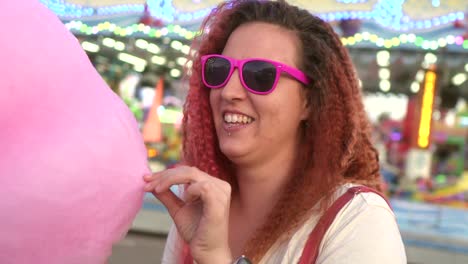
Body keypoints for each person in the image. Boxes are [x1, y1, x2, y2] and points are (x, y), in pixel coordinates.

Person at [143, 0, 407, 263]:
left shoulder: (356, 221)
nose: (228, 91)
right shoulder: (197, 207)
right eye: (219, 70)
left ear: (309, 101)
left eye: (260, 75)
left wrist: (213, 257)